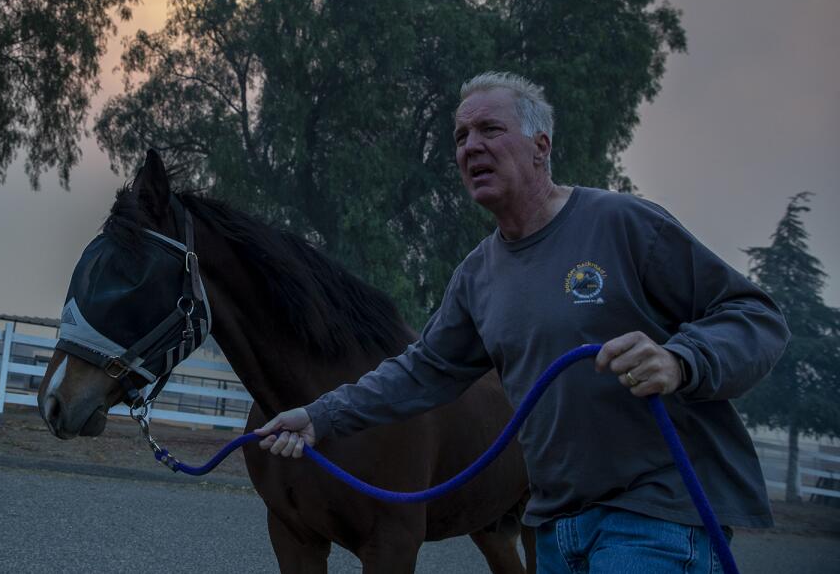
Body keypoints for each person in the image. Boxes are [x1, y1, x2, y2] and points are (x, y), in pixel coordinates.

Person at [255, 71, 789, 573]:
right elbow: (421, 372)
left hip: (659, 513)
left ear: (541, 147)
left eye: (490, 129)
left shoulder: (621, 224)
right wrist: (320, 416)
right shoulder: (478, 276)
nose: (470, 146)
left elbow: (755, 316)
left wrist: (681, 359)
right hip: (557, 526)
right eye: (461, 136)